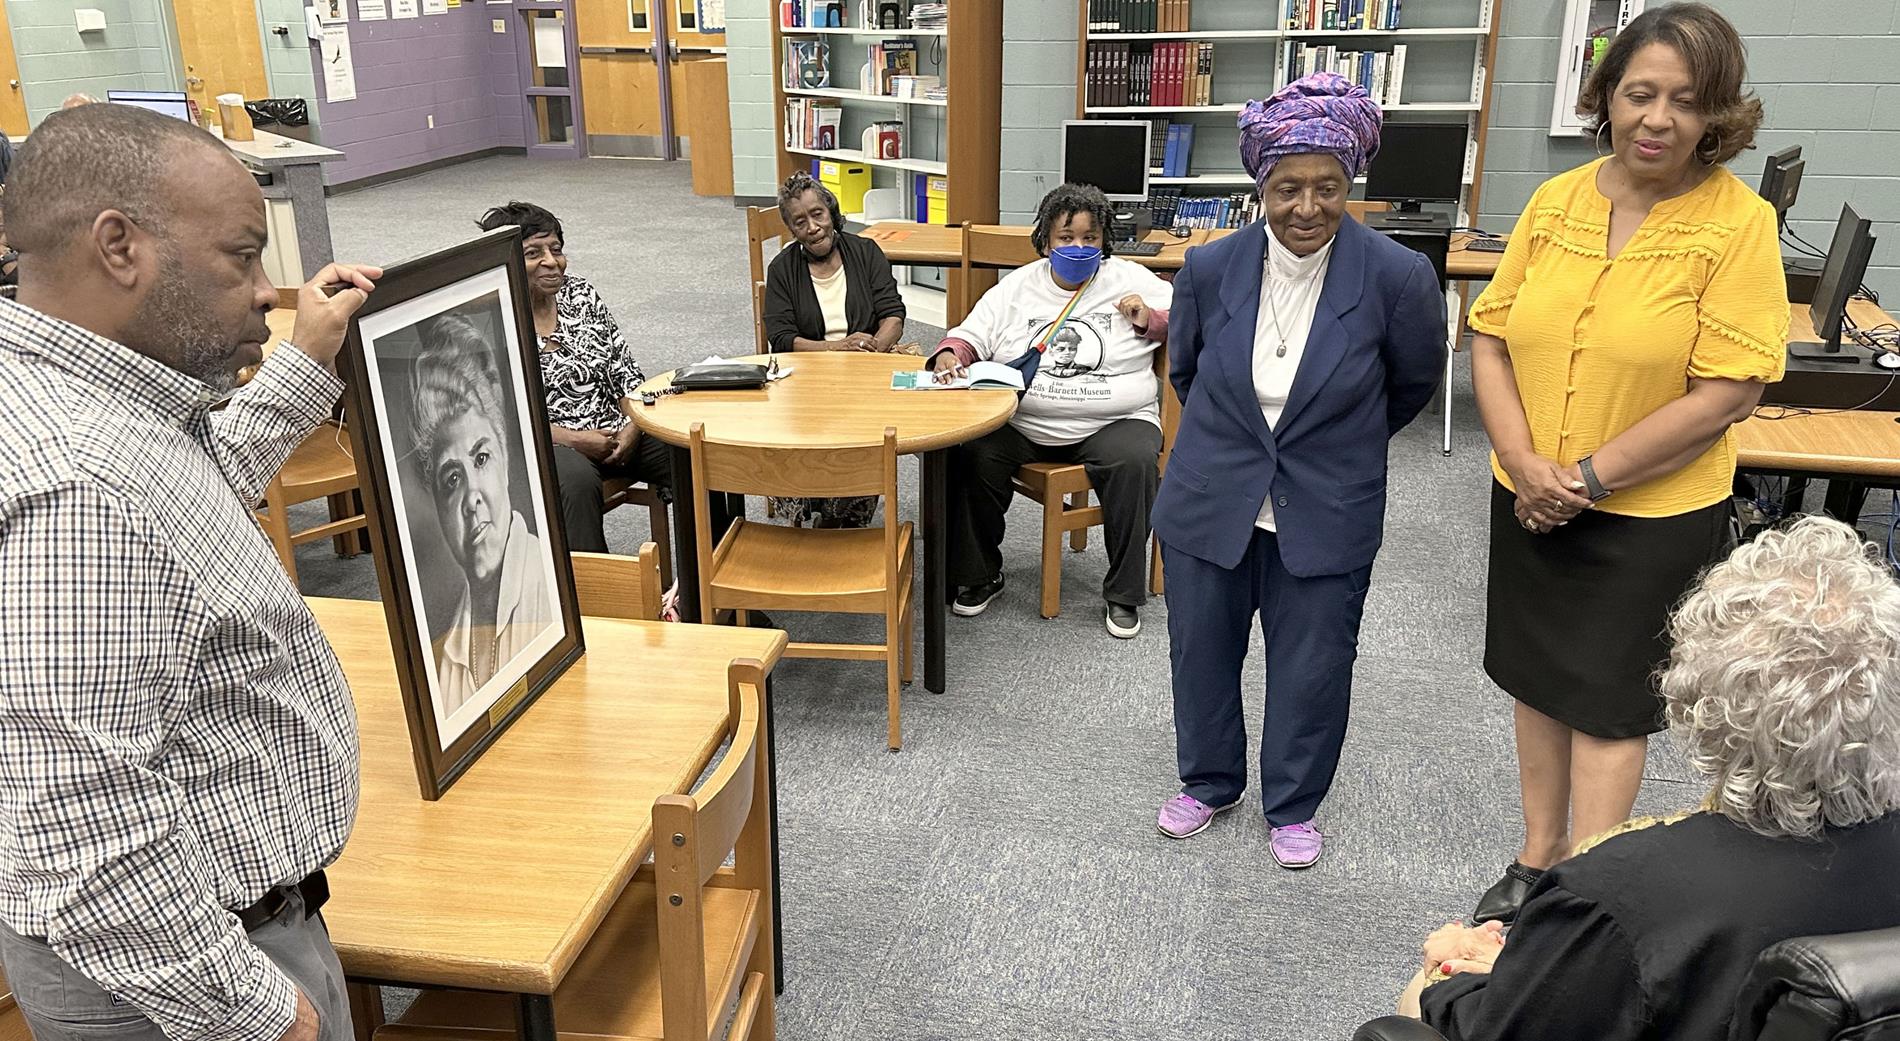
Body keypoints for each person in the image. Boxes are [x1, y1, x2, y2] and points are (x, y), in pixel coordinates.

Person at [0, 102, 377, 1041]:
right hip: (188, 987)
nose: (266, 289)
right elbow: (80, 828)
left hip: (223, 939)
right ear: (118, 246)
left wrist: (304, 360)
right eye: (241, 256)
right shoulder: (78, 491)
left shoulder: (100, 403)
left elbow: (187, 503)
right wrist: (259, 1012)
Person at [1467, 1, 1787, 925]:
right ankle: (1536, 856)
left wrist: (1586, 478)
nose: (1658, 118)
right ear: (1605, 97)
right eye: (1639, 93)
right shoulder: (1556, 201)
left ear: (1717, 114)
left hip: (1647, 513)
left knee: (1607, 704)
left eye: (1685, 102)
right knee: (1536, 677)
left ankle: (1583, 885)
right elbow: (1491, 336)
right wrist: (1523, 459)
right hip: (1526, 493)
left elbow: (1728, 389)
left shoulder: (1738, 224)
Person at [1396, 517, 1900, 1041]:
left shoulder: (1614, 890)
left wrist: (1451, 977)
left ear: (1699, 704)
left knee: (1426, 983)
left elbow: (1511, 1028)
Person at [1150, 73, 1446, 864]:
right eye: (1287, 187)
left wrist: (1328, 444)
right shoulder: (1210, 269)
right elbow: (1188, 373)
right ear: (1260, 185)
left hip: (1327, 504)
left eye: (1327, 187)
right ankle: (1208, 780)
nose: (1306, 207)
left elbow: (1412, 384)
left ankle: (1293, 802)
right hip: (1212, 496)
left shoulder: (1395, 276)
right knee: (1201, 649)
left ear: (1350, 184)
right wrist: (1245, 447)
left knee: (1315, 663)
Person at [930, 182, 1172, 638]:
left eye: (1090, 237)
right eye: (1066, 237)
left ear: (1105, 241)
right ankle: (980, 573)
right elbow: (969, 335)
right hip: (1023, 420)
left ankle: (1123, 592)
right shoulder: (1017, 287)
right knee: (966, 450)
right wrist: (950, 356)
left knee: (1137, 461)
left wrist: (1147, 318)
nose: (1078, 247)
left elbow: (1190, 317)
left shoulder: (1133, 278)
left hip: (1114, 421)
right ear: (1045, 241)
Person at [473, 201, 704, 555]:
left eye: (556, 249)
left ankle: (706, 590)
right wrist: (576, 440)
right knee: (575, 483)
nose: (552, 261)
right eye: (533, 253)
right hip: (547, 443)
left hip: (617, 431)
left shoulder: (580, 295)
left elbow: (625, 374)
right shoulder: (488, 322)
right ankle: (599, 602)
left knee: (696, 453)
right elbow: (499, 420)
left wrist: (634, 426)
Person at [409, 311, 555, 714]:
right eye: (451, 479)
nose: (472, 496)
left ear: (506, 460)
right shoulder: (448, 653)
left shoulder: (547, 586)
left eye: (482, 458)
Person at [761, 171, 907, 527]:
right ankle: (806, 504)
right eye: (800, 221)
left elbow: (893, 314)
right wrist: (836, 349)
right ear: (791, 230)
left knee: (865, 432)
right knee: (789, 433)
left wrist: (875, 348)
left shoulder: (865, 252)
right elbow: (781, 338)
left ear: (831, 211)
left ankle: (842, 517)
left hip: (865, 374)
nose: (812, 227)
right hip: (807, 378)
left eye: (817, 214)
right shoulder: (782, 269)